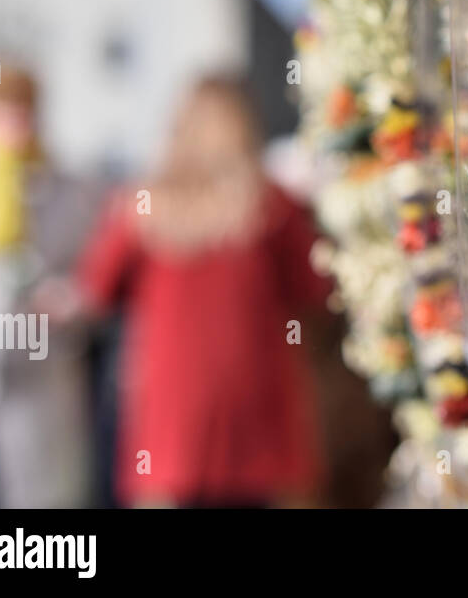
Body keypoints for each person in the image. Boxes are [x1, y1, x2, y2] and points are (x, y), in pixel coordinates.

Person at [78, 75, 332, 507]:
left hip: (168, 425)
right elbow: (316, 288)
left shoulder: (142, 205)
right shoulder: (270, 204)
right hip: (258, 419)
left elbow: (96, 290)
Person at [0, 66, 94, 507]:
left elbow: (89, 283)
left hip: (37, 392)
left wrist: (66, 304)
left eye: (21, 114)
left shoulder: (67, 192)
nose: (11, 129)